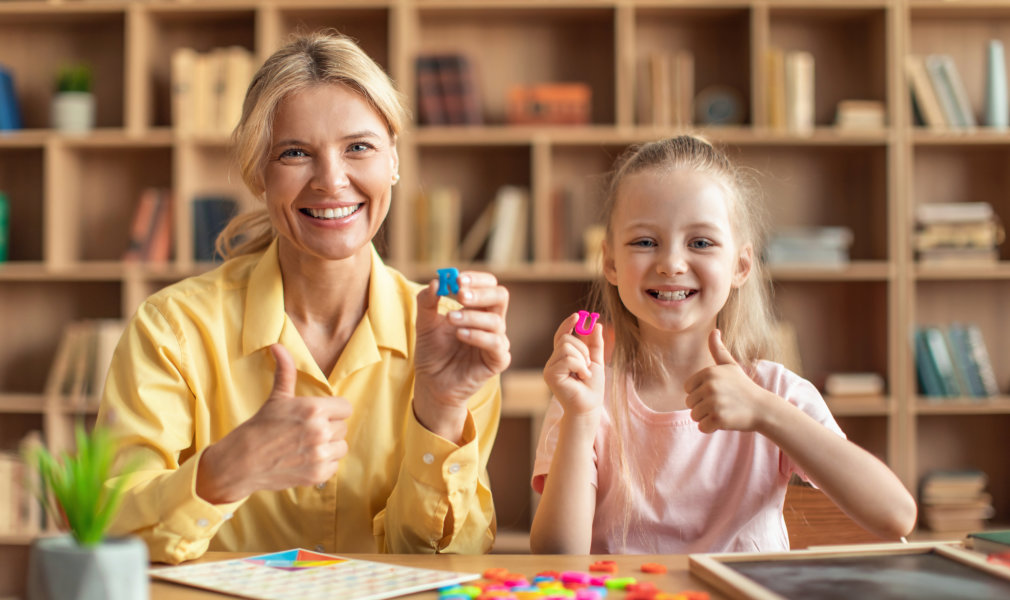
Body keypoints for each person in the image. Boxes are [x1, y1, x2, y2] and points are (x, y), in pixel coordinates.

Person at [97, 31, 510, 564]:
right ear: (258, 174)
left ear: (394, 162)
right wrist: (224, 471)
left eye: (358, 147)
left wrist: (441, 411)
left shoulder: (453, 338)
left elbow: (451, 557)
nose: (332, 181)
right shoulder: (172, 328)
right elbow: (108, 530)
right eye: (295, 153)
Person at [529, 135, 916, 554]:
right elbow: (557, 559)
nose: (671, 263)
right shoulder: (585, 397)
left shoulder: (774, 392)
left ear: (741, 265)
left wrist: (766, 412)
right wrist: (581, 417)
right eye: (644, 242)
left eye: (700, 242)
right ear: (610, 263)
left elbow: (895, 515)